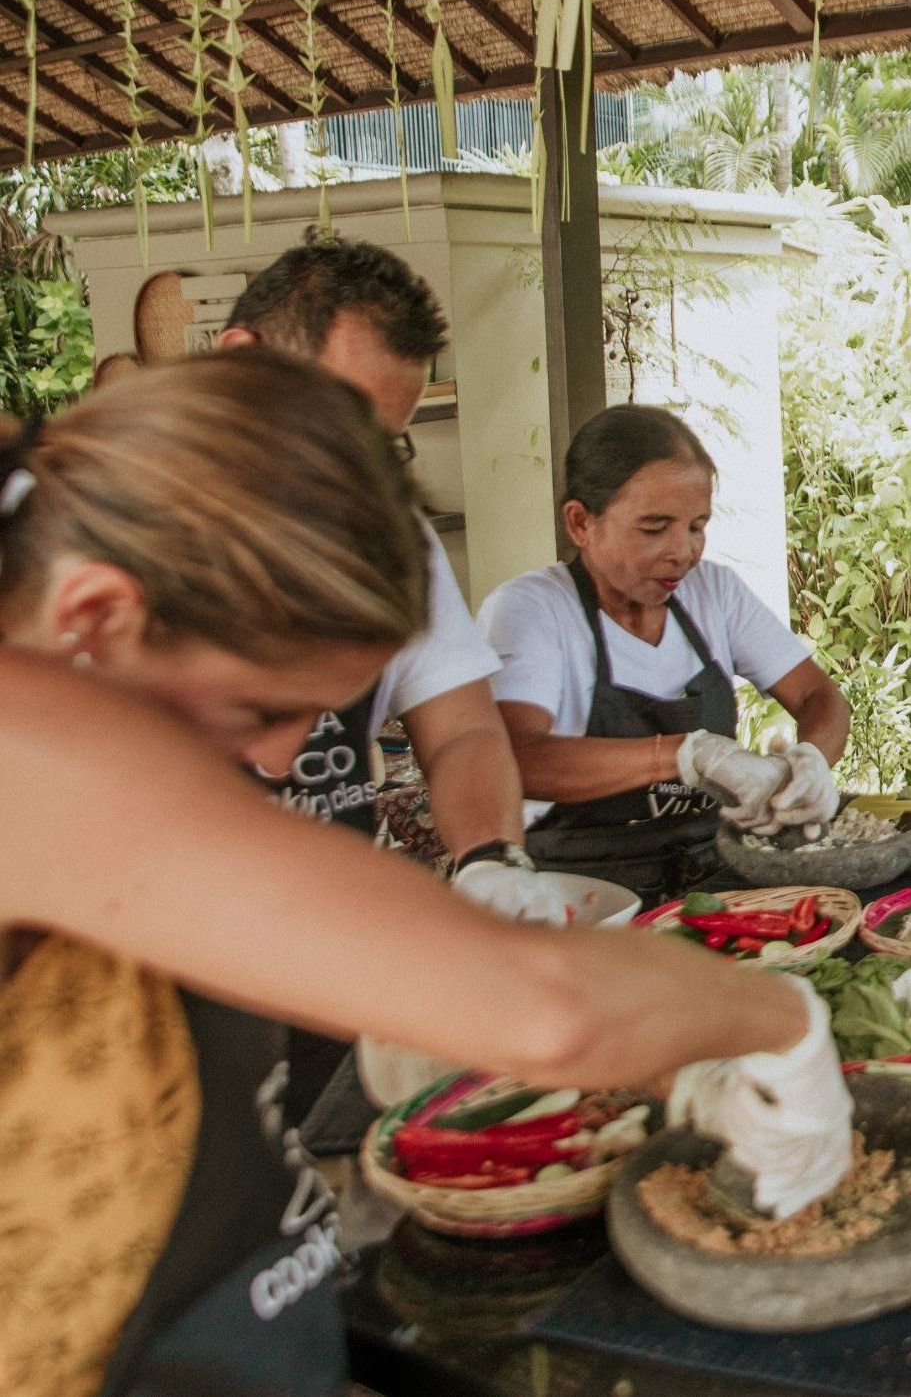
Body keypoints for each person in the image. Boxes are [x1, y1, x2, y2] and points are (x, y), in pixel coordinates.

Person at [0, 352, 851, 1397]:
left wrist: (489, 866)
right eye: (261, 712)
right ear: (90, 614)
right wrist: (775, 1023)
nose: (275, 765)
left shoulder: (65, 697)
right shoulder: (25, 749)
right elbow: (546, 1010)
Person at [218, 232, 523, 862]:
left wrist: (491, 862)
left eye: (380, 445)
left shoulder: (385, 535)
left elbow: (462, 728)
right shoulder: (99, 533)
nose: (281, 759)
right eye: (336, 425)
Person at [481, 404, 850, 902]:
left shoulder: (714, 593)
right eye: (654, 528)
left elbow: (818, 696)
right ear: (580, 523)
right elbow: (516, 758)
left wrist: (810, 763)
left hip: (712, 872)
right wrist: (684, 754)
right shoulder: (533, 609)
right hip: (582, 891)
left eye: (697, 526)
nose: (682, 552)